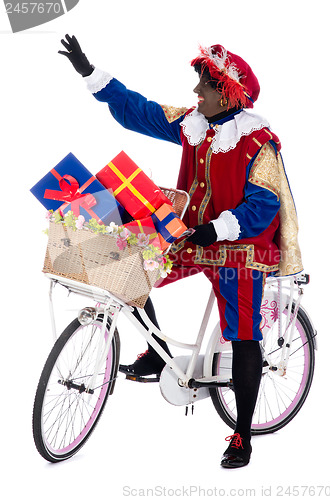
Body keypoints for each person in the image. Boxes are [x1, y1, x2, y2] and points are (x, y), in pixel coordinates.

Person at [59, 35, 303, 468]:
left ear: (226, 93)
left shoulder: (256, 142)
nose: (195, 93)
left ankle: (243, 435)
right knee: (129, 270)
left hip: (240, 250)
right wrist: (91, 74)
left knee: (244, 335)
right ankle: (157, 352)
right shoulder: (195, 125)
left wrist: (220, 227)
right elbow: (143, 111)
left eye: (204, 87)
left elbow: (265, 204)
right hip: (191, 238)